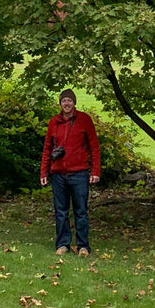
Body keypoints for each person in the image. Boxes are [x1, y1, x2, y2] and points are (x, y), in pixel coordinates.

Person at [40, 88, 101, 256]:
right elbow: (47, 148)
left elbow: (94, 147)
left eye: (69, 100)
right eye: (64, 101)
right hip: (58, 173)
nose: (66, 103)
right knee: (61, 211)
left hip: (79, 173)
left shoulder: (84, 120)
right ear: (60, 103)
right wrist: (43, 172)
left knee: (81, 211)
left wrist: (95, 171)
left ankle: (83, 246)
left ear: (74, 102)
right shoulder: (54, 122)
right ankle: (63, 244)